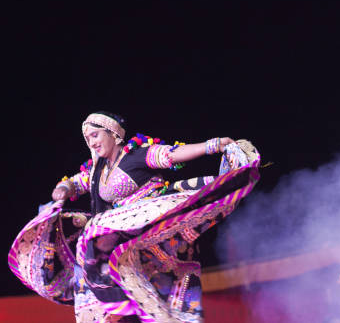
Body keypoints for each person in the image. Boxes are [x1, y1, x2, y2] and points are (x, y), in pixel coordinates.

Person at [9, 111, 260, 322]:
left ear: (114, 133)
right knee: (84, 237)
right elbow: (75, 183)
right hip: (119, 240)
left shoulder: (137, 155)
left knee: (98, 231)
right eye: (87, 139)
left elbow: (172, 155)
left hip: (149, 232)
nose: (91, 142)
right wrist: (63, 191)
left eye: (95, 135)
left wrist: (213, 145)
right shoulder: (96, 169)